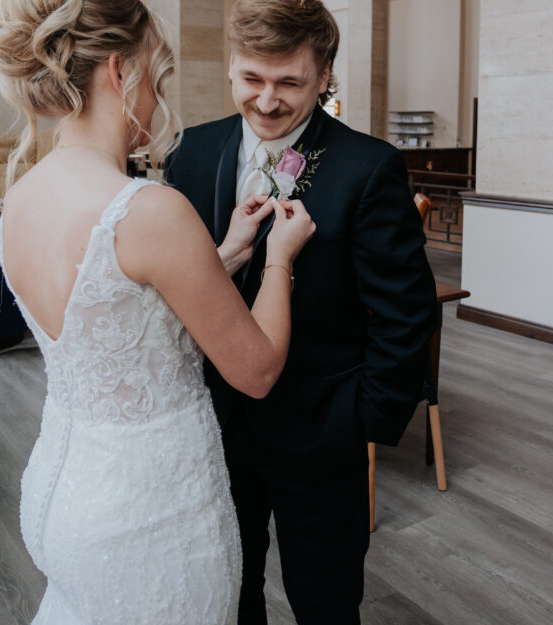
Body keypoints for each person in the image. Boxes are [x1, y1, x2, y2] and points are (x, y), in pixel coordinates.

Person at [0, 1, 315, 623]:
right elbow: (259, 369)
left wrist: (223, 255)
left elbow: (112, 309)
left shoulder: (21, 197)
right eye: (156, 77)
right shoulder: (149, 208)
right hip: (151, 511)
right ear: (119, 70)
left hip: (64, 487)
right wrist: (278, 257)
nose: (156, 101)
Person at [164, 1, 438, 623]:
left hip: (322, 433)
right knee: (230, 593)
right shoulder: (189, 154)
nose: (266, 101)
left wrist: (362, 420)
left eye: (288, 82)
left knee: (327, 601)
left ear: (324, 75)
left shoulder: (367, 167)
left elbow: (406, 312)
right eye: (251, 79)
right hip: (213, 428)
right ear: (231, 68)